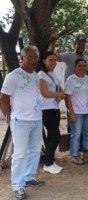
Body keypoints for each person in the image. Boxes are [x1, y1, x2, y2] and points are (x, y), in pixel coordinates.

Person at [1, 46, 44, 199]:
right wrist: (8, 115)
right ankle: (18, 185)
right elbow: (4, 97)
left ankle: (29, 177)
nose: (33, 60)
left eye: (35, 57)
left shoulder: (36, 76)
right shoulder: (13, 76)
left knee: (35, 150)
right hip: (20, 120)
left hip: (36, 119)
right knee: (19, 154)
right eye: (30, 57)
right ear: (22, 58)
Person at [38, 51, 65, 174]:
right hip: (45, 109)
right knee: (56, 137)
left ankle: (50, 161)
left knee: (51, 137)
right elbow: (44, 93)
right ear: (44, 61)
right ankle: (47, 164)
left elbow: (60, 88)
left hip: (55, 108)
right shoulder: (41, 75)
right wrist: (58, 94)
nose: (53, 62)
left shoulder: (53, 74)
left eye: (55, 60)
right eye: (50, 60)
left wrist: (61, 94)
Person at [65, 58, 88, 165]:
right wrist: (71, 112)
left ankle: (86, 153)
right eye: (79, 65)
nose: (82, 67)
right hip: (76, 111)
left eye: (84, 65)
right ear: (75, 67)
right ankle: (75, 155)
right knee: (76, 134)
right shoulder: (70, 79)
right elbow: (67, 97)